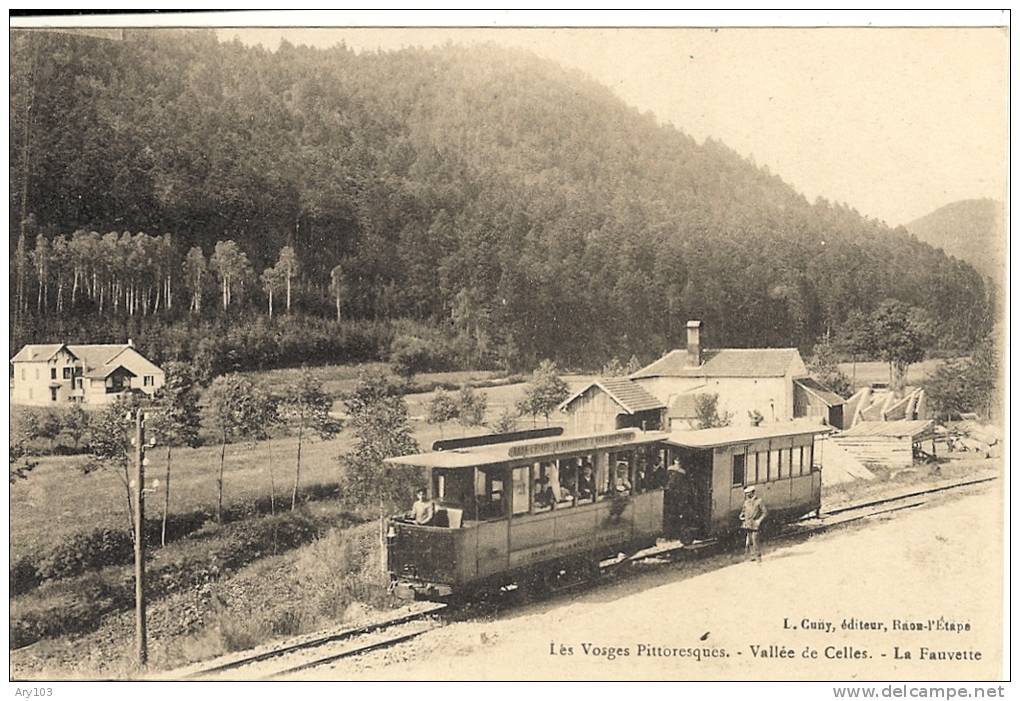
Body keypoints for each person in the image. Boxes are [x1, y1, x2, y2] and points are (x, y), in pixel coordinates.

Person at [740, 485, 768, 562]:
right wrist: (742, 516)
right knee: (750, 541)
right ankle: (752, 556)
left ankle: (758, 557)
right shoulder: (746, 502)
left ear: (752, 493)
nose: (747, 495)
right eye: (746, 494)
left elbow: (765, 513)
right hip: (748, 524)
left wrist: (759, 520)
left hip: (755, 524)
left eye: (748, 493)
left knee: (755, 540)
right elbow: (743, 512)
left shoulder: (759, 501)